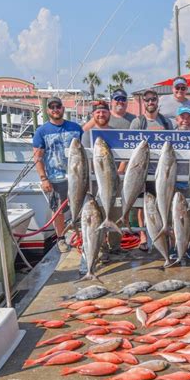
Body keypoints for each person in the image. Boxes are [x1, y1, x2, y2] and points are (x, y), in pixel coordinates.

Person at [32, 97, 83, 253]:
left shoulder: (75, 127)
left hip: (77, 177)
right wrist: (43, 178)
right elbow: (38, 158)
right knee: (58, 210)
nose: (55, 109)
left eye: (58, 106)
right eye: (52, 107)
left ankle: (80, 236)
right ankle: (61, 238)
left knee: (80, 207)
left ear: (63, 108)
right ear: (48, 110)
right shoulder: (41, 131)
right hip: (55, 178)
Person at [128, 88, 174, 250]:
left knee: (163, 204)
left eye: (153, 99)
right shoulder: (137, 122)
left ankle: (163, 234)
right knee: (142, 205)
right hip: (142, 172)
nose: (150, 102)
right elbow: (129, 146)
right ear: (144, 103)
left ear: (157, 101)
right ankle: (143, 236)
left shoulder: (166, 122)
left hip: (161, 172)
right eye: (147, 100)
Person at [81, 99, 122, 262]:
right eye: (98, 112)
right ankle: (101, 248)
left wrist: (119, 171)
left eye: (104, 111)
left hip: (114, 180)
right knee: (98, 214)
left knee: (116, 211)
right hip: (96, 181)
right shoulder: (87, 135)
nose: (101, 114)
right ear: (93, 115)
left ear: (109, 113)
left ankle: (115, 246)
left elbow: (124, 155)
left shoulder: (115, 132)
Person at [169, 106, 190, 261]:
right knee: (174, 218)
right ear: (177, 119)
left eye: (188, 117)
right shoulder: (168, 137)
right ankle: (174, 247)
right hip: (172, 184)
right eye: (182, 117)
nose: (185, 120)